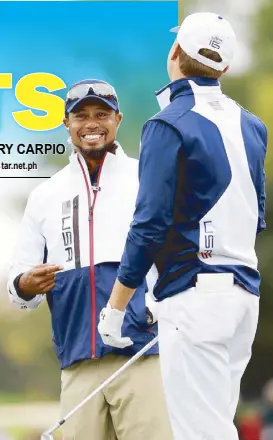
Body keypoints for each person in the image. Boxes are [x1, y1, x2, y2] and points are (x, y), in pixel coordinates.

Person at [98, 12, 267, 440]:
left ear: (174, 53)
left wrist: (115, 309)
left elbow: (149, 225)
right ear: (224, 67)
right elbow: (258, 216)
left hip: (195, 298)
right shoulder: (252, 125)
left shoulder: (166, 123)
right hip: (244, 298)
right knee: (216, 425)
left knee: (200, 433)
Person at [7, 79, 173, 440]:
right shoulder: (44, 195)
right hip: (78, 362)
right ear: (66, 124)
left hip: (145, 354)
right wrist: (23, 285)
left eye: (102, 114)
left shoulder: (148, 177)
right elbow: (17, 288)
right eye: (80, 115)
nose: (91, 123)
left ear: (118, 119)